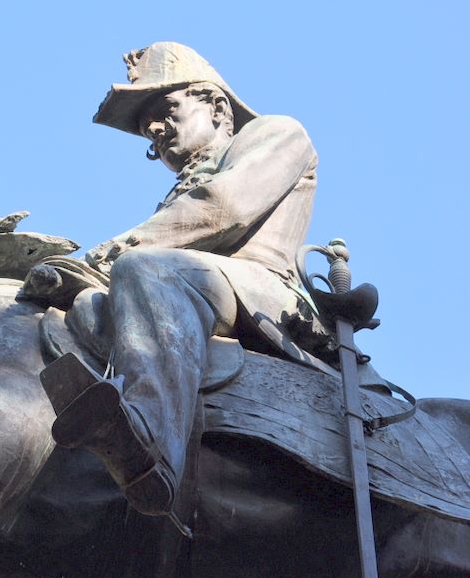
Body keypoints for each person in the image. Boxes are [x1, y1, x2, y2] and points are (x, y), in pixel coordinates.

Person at [39, 42, 320, 516]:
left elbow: (223, 208)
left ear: (217, 107)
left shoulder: (277, 133)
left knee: (144, 268)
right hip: (189, 285)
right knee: (88, 304)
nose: (153, 129)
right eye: (146, 126)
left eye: (166, 110)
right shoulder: (179, 189)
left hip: (260, 292)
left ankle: (150, 440)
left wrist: (107, 255)